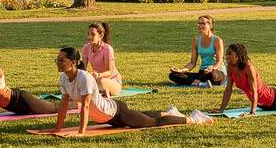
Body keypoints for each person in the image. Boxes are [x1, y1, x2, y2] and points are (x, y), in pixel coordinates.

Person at [52, 47, 211, 135]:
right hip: (106, 119)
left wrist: (81, 132)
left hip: (116, 112)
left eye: (61, 60)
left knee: (153, 123)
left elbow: (85, 106)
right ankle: (170, 112)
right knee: (144, 116)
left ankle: (194, 118)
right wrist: (57, 129)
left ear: (73, 62)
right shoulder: (63, 79)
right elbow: (64, 106)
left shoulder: (84, 78)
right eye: (57, 60)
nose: (58, 63)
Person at [0, 35, 59, 121]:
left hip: (20, 100)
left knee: (55, 108)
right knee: (45, 109)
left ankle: (73, 102)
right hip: (11, 108)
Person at [169, 15, 227, 86]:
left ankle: (197, 82)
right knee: (173, 75)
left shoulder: (217, 40)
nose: (200, 25)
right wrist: (181, 70)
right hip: (203, 72)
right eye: (199, 23)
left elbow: (219, 61)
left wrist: (212, 68)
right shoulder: (196, 41)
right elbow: (192, 63)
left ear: (210, 25)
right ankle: (200, 83)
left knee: (212, 75)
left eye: (203, 23)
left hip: (216, 71)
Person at [82, 22, 123, 96]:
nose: (89, 37)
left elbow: (110, 72)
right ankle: (96, 90)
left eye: (93, 34)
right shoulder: (86, 48)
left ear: (100, 35)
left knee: (100, 81)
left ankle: (97, 90)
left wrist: (98, 75)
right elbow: (83, 69)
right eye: (88, 34)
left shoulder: (107, 49)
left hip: (112, 81)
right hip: (96, 80)